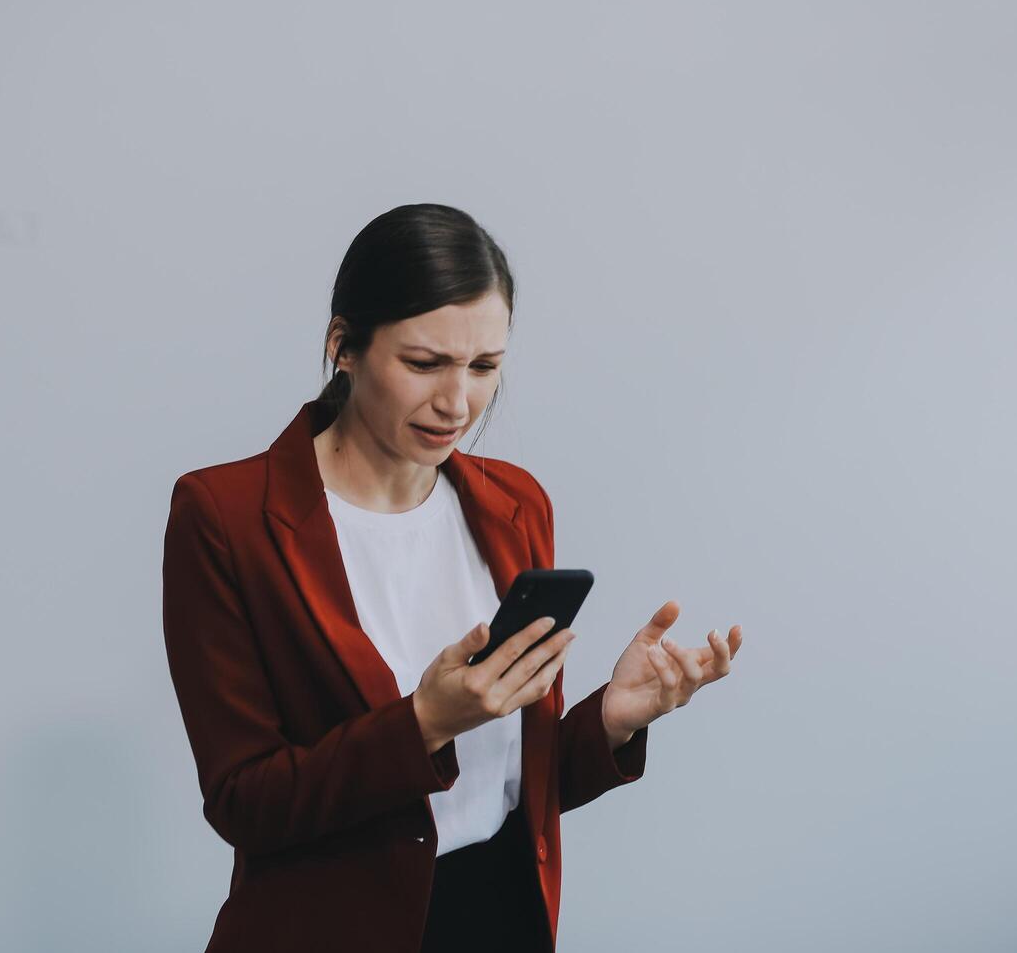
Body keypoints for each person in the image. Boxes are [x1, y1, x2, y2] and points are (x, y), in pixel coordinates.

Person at [161, 203, 744, 952]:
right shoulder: (226, 515)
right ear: (343, 345)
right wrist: (422, 724)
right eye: (424, 363)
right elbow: (244, 804)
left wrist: (613, 720)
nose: (458, 402)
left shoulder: (515, 503)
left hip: (501, 915)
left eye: (484, 367)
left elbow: (509, 791)